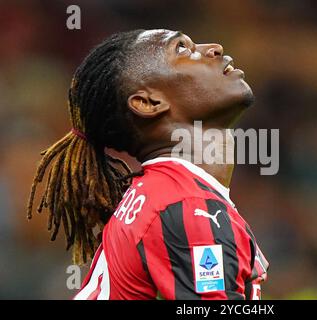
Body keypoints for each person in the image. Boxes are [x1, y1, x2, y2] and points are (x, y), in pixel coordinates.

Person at [27, 29, 268, 300]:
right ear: (148, 102)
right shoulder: (187, 207)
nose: (214, 47)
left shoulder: (163, 197)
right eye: (182, 49)